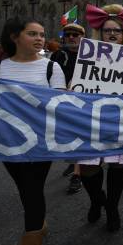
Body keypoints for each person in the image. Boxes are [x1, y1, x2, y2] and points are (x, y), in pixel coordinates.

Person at [0, 17, 66, 245]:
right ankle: (38, 225)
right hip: (8, 141)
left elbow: (60, 105)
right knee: (24, 188)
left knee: (32, 188)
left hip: (40, 141)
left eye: (42, 34)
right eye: (32, 34)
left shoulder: (51, 69)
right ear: (15, 37)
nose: (39, 39)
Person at [77, 3, 123, 232]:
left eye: (117, 30)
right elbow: (77, 83)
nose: (112, 34)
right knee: (87, 166)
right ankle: (97, 199)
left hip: (120, 120)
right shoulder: (87, 54)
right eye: (107, 30)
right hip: (91, 119)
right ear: (100, 33)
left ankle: (112, 207)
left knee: (118, 167)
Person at [51, 23, 86, 194]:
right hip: (63, 102)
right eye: (68, 35)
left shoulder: (90, 54)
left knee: (79, 136)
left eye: (75, 34)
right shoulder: (57, 55)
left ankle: (77, 175)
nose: (71, 37)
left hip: (84, 103)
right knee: (68, 136)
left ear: (82, 37)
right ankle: (74, 163)